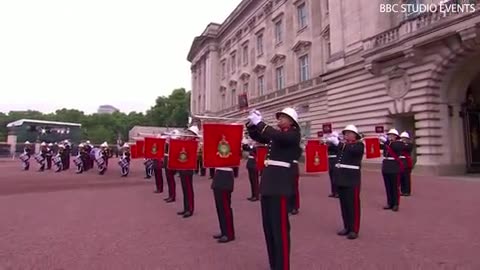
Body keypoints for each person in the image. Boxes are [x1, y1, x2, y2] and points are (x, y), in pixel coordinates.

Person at [246, 107, 301, 270]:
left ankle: (283, 266)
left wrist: (260, 122)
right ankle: (274, 264)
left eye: (283, 117)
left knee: (280, 230)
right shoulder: (277, 136)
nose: (279, 120)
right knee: (269, 228)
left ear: (291, 121)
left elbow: (274, 134)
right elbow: (259, 136)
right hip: (269, 184)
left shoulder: (292, 135)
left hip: (280, 185)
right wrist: (251, 124)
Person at [327, 125, 364, 240]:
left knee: (353, 205)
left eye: (349, 133)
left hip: (352, 178)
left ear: (355, 135)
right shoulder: (343, 145)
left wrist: (337, 143)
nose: (346, 135)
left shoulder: (359, 145)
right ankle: (347, 226)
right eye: (345, 133)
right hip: (342, 178)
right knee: (344, 205)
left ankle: (354, 229)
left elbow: (352, 150)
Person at [380, 129, 405, 212]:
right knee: (388, 187)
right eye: (389, 135)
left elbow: (395, 147)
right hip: (386, 167)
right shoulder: (388, 143)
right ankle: (390, 203)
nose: (390, 136)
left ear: (395, 136)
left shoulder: (399, 143)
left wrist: (386, 141)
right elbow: (379, 147)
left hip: (394, 167)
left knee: (395, 187)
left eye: (391, 135)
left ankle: (396, 204)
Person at [177, 126, 199, 218]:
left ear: (194, 135)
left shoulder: (194, 143)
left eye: (190, 133)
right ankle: (186, 208)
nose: (188, 134)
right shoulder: (186, 141)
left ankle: (190, 209)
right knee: (184, 189)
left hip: (189, 168)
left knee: (189, 189)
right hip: (183, 167)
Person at [399, 131, 414, 196]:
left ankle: (407, 191)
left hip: (406, 163)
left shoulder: (409, 145)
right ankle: (403, 190)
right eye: (402, 138)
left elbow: (407, 148)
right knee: (401, 178)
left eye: (404, 138)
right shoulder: (399, 145)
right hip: (400, 162)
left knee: (406, 178)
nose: (403, 139)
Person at [289, 145, 302, 215]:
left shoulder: (297, 147)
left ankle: (295, 206)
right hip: (285, 167)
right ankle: (288, 206)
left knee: (294, 188)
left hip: (293, 167)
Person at [326, 132, 340, 198]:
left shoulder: (337, 143)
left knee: (336, 177)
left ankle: (337, 192)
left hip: (335, 160)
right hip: (330, 160)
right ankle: (333, 192)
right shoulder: (330, 143)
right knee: (331, 176)